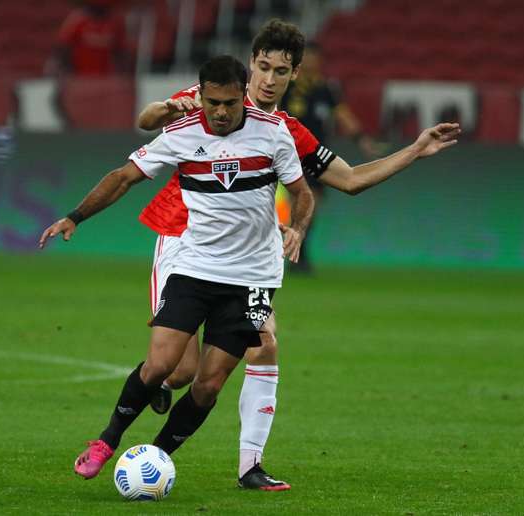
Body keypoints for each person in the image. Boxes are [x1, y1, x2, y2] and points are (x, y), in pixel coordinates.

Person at [135, 18, 461, 490]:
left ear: (296, 74)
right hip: (184, 238)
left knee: (265, 341)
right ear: (250, 67)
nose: (269, 80)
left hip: (246, 255)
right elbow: (147, 119)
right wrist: (168, 106)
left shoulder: (287, 131)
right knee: (182, 370)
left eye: (281, 71)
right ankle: (161, 386)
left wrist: (413, 150)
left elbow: (349, 181)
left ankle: (250, 465)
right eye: (263, 68)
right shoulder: (220, 95)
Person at [38, 55, 315, 483]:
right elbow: (123, 177)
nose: (221, 112)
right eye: (212, 102)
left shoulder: (274, 133)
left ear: (243, 95)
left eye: (229, 103)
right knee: (161, 365)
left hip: (253, 279)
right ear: (199, 95)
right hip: (196, 266)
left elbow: (302, 192)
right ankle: (107, 440)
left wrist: (296, 227)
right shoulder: (181, 134)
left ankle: (156, 457)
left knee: (207, 386)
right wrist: (76, 216)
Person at [281, 39, 385, 273]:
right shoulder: (286, 85)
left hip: (317, 155)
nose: (309, 61)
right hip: (290, 153)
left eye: (313, 57)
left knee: (312, 203)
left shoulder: (326, 89)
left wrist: (362, 140)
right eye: (306, 56)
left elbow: (343, 116)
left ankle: (300, 250)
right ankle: (293, 253)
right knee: (297, 200)